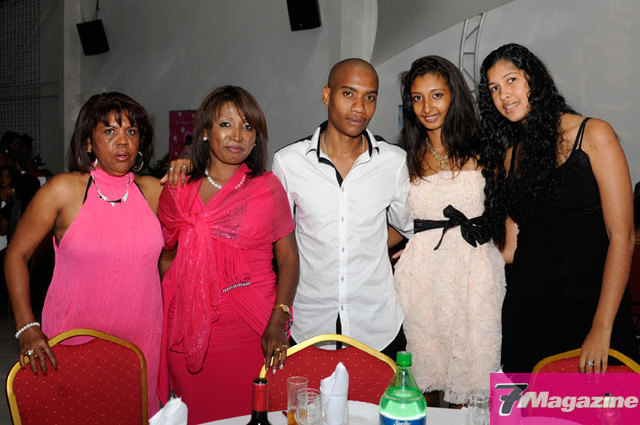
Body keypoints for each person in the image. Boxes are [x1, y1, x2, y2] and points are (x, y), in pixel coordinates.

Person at [478, 43, 637, 373]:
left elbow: (622, 237)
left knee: (597, 406)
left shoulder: (592, 134)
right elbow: (511, 250)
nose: (503, 95)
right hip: (528, 315)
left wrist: (602, 326)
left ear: (534, 79)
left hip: (592, 312)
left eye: (511, 80)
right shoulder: (510, 158)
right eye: (493, 88)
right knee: (526, 406)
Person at [5, 92, 166, 415]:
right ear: (89, 142)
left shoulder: (153, 191)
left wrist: (186, 167)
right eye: (109, 131)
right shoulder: (63, 190)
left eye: (131, 131)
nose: (122, 141)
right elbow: (16, 255)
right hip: (74, 340)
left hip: (141, 341)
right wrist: (26, 326)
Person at [158, 85, 298, 424]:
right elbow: (167, 257)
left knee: (256, 413)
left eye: (247, 127)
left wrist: (279, 320)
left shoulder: (267, 187)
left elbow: (289, 259)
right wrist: (184, 301)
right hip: (190, 333)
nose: (237, 136)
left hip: (255, 330)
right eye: (226, 124)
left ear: (256, 138)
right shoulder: (179, 188)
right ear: (206, 132)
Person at [272, 58, 412, 358]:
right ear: (327, 95)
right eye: (348, 93)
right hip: (309, 322)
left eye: (370, 97)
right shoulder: (288, 162)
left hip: (378, 324)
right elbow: (279, 243)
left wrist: (367, 242)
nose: (359, 107)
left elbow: (407, 226)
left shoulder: (393, 161)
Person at [393, 56, 505, 406]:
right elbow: (397, 221)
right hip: (422, 277)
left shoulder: (484, 148)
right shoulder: (403, 158)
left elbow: (508, 209)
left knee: (472, 383)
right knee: (422, 381)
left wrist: (507, 252)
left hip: (474, 274)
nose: (427, 107)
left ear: (454, 95)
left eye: (437, 95)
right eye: (417, 98)